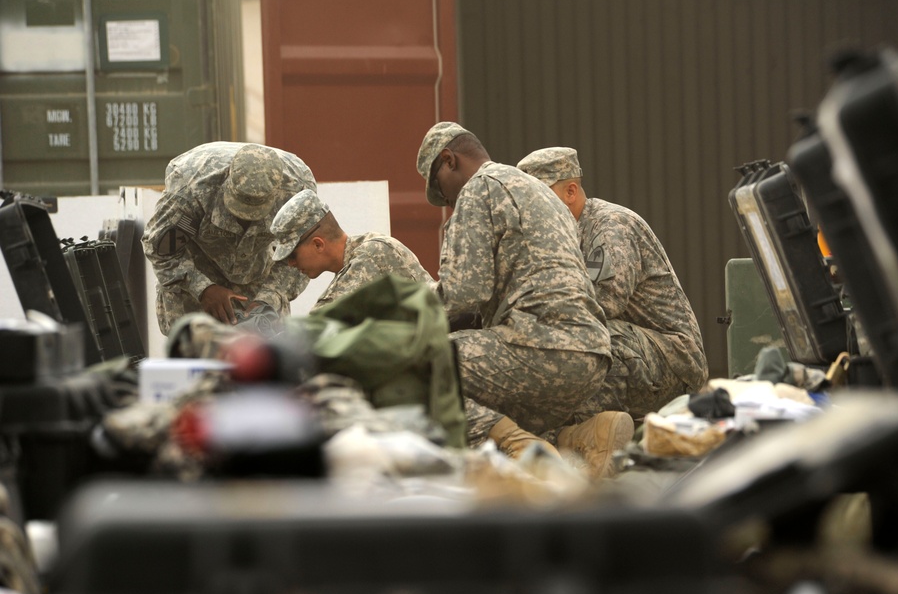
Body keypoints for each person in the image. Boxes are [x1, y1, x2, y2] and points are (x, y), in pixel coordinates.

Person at [416, 122, 634, 478]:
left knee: (417, 369)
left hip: (540, 345)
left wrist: (404, 318)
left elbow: (462, 292)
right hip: (591, 356)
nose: (449, 204)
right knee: (486, 389)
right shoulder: (539, 191)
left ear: (448, 160)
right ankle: (580, 436)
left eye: (443, 192)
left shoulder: (479, 188)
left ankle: (522, 449)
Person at [517, 147, 709, 420]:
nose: (530, 212)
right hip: (638, 353)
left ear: (570, 192)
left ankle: (583, 432)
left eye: (537, 200)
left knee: (584, 338)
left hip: (674, 362)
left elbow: (600, 304)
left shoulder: (612, 225)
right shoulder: (559, 237)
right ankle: (571, 433)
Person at [142, 142, 317, 336]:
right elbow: (161, 250)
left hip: (258, 277)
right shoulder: (191, 190)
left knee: (265, 355)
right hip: (195, 274)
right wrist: (203, 288)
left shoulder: (297, 190)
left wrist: (269, 297)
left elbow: (302, 253)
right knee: (197, 356)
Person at [270, 189, 434, 311]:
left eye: (293, 254)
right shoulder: (354, 264)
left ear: (318, 244)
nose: (291, 263)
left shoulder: (372, 253)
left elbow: (318, 327)